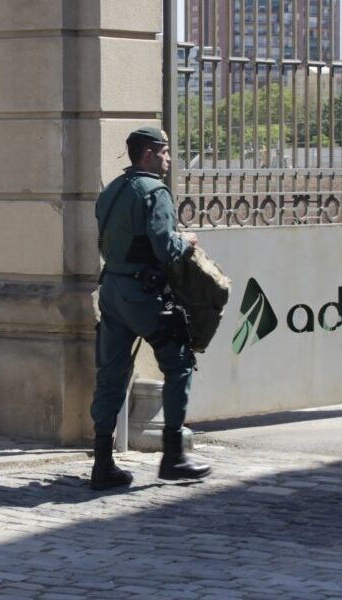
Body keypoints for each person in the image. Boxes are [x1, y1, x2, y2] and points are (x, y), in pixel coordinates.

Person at [89, 127, 212, 490]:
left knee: (111, 373)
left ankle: (102, 462)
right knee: (180, 364)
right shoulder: (154, 192)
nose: (169, 159)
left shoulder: (112, 190)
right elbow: (164, 247)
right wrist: (185, 239)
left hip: (112, 289)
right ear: (147, 154)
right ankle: (173, 457)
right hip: (144, 295)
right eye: (164, 152)